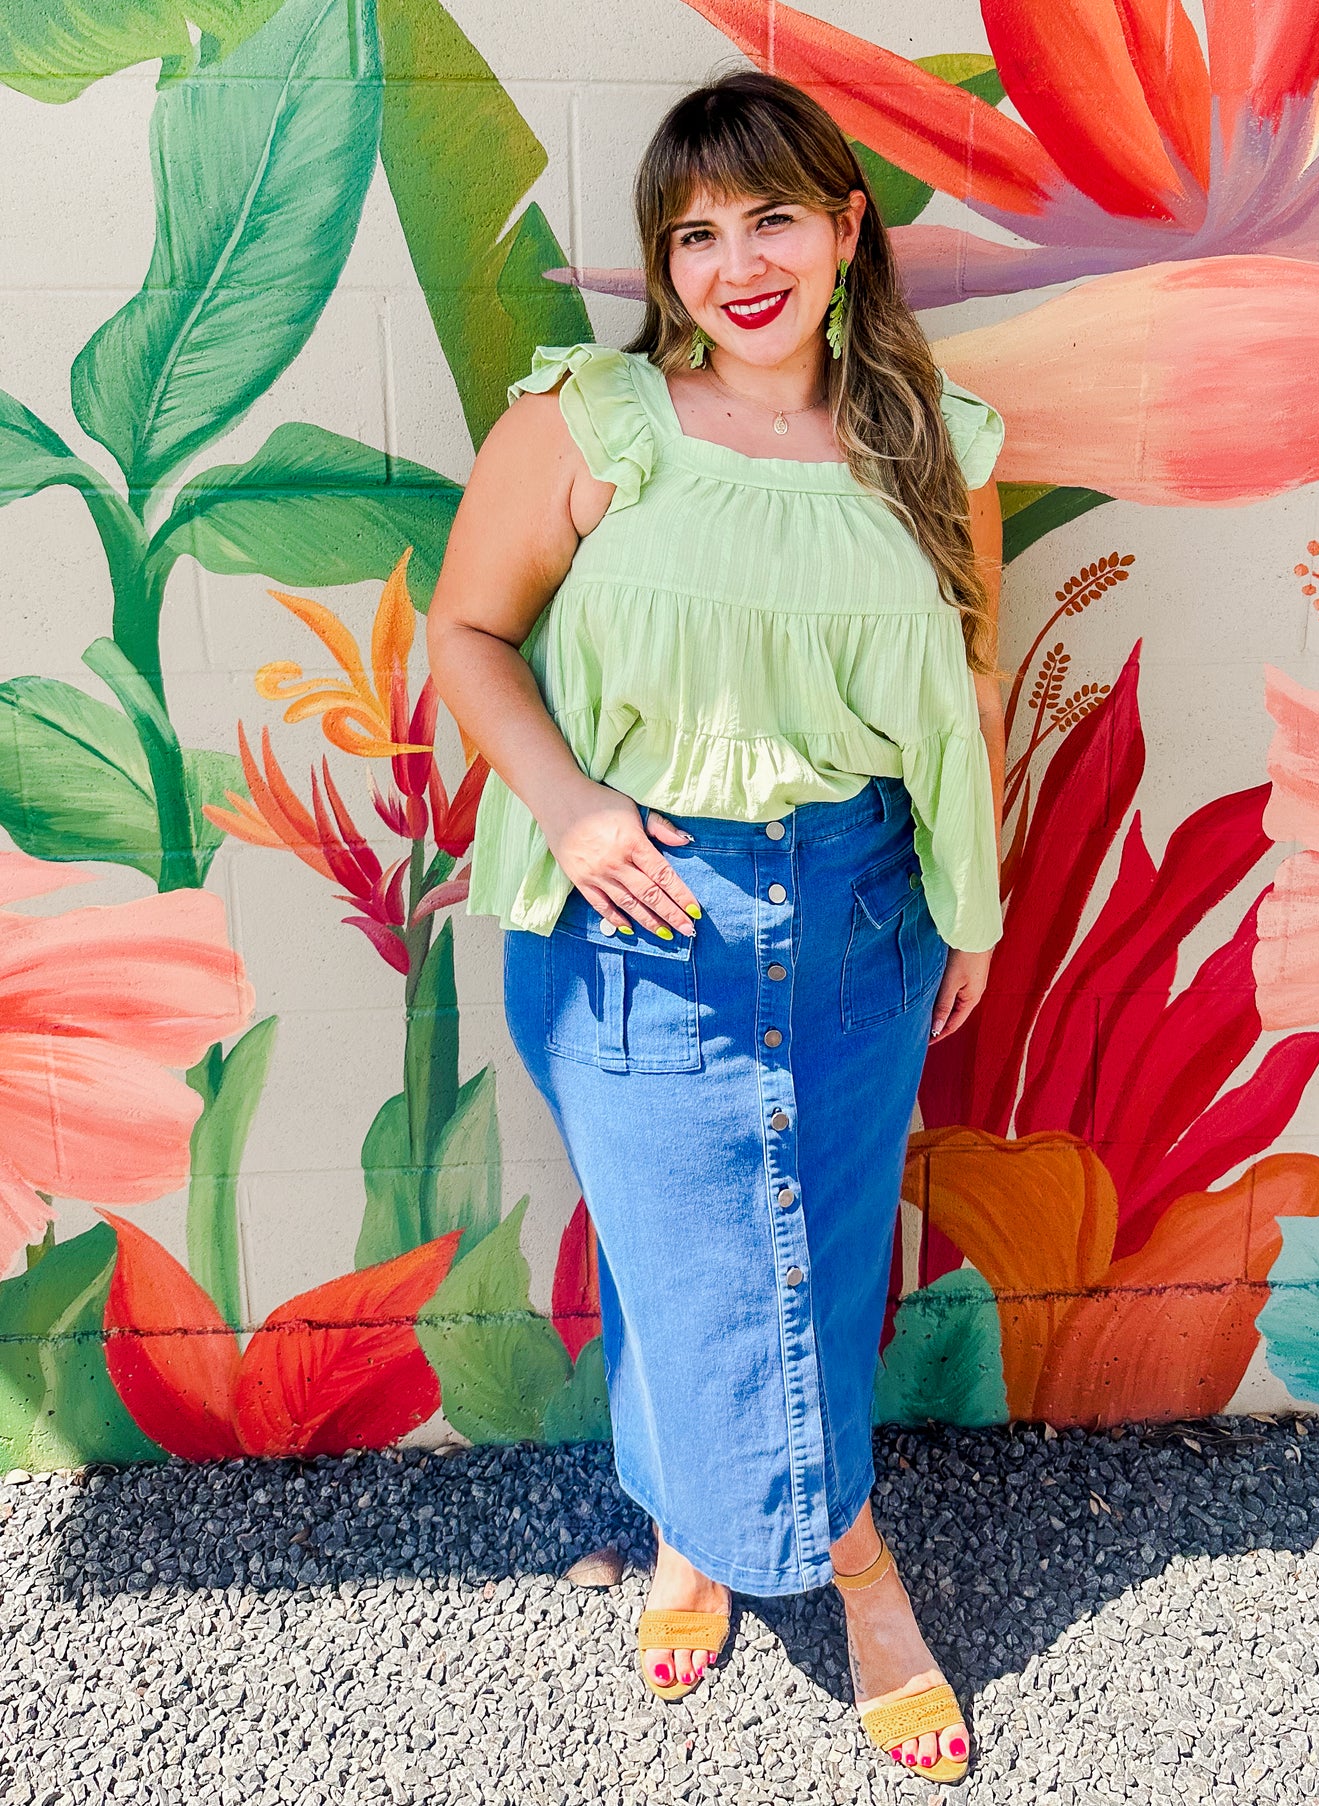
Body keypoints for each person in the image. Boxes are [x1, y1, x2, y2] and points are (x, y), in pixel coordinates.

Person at [427, 67, 1006, 1783]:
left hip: (858, 906)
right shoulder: (591, 425)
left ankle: (808, 1544)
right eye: (692, 236)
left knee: (812, 1251)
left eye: (770, 219)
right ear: (663, 267)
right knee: (686, 1258)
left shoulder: (936, 448)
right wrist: (576, 807)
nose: (735, 265)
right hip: (638, 909)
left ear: (844, 230)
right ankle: (788, 1547)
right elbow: (469, 632)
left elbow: (965, 687)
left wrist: (968, 902)